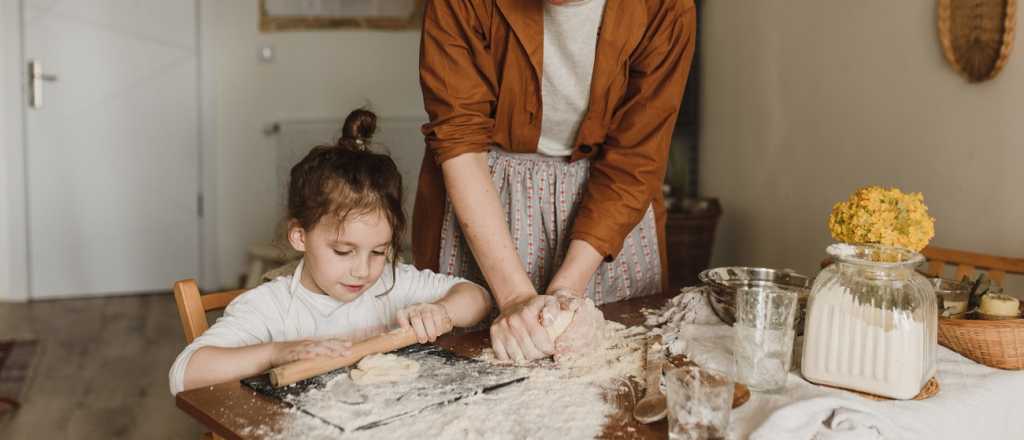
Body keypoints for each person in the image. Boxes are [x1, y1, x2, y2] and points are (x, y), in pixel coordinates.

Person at [413, 0, 697, 363]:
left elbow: (635, 157)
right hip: (486, 195)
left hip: (607, 205)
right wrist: (515, 297)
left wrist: (567, 290)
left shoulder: (665, 7)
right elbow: (460, 140)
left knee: (610, 367)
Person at [168, 109, 491, 394]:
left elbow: (478, 297)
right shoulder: (274, 307)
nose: (363, 270)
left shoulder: (392, 285)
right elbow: (185, 374)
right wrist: (275, 353)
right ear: (300, 237)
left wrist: (442, 312)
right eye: (343, 251)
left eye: (378, 252)